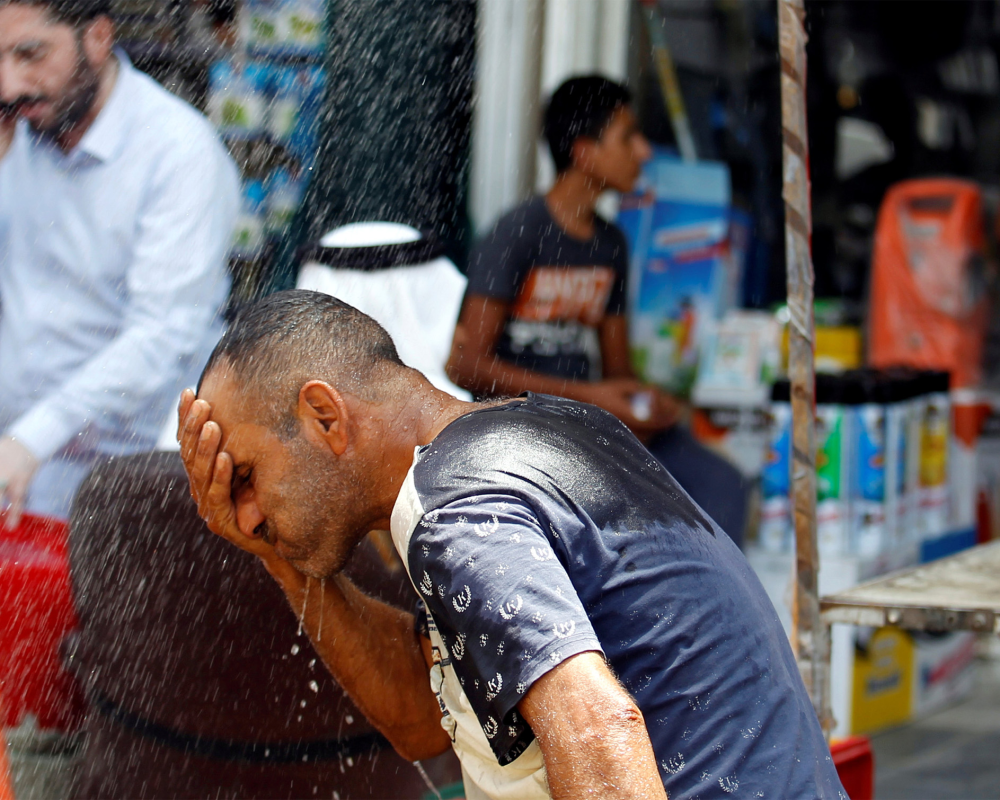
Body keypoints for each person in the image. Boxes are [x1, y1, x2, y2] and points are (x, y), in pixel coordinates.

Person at [178, 290, 846, 800]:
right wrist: (277, 556)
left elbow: (599, 733)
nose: (246, 511)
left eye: (245, 477)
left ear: (324, 416)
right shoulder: (548, 432)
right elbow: (425, 718)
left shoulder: (454, 510)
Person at [447, 75, 748, 543]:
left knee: (720, 486)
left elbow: (617, 374)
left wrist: (647, 403)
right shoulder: (517, 234)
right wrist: (590, 398)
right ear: (585, 153)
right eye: (628, 137)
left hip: (589, 427)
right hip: (521, 435)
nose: (643, 151)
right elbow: (465, 366)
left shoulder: (610, 245)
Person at [0, 0, 239, 524]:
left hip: (119, 485)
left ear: (98, 38)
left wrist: (33, 435)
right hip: (14, 464)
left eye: (30, 54)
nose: (10, 85)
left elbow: (162, 333)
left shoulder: (177, 152)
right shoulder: (20, 132)